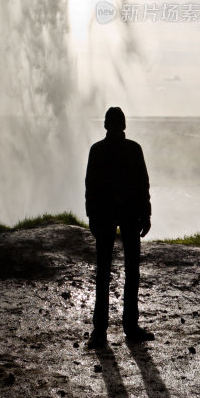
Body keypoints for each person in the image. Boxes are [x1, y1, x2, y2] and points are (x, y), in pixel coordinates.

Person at [85, 106, 154, 348]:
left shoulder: (99, 150)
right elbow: (142, 185)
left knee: (106, 273)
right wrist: (146, 214)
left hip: (112, 216)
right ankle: (127, 328)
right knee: (128, 272)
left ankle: (102, 330)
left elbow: (90, 186)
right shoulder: (133, 149)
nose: (114, 128)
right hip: (126, 215)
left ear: (107, 125)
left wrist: (91, 215)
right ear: (122, 125)